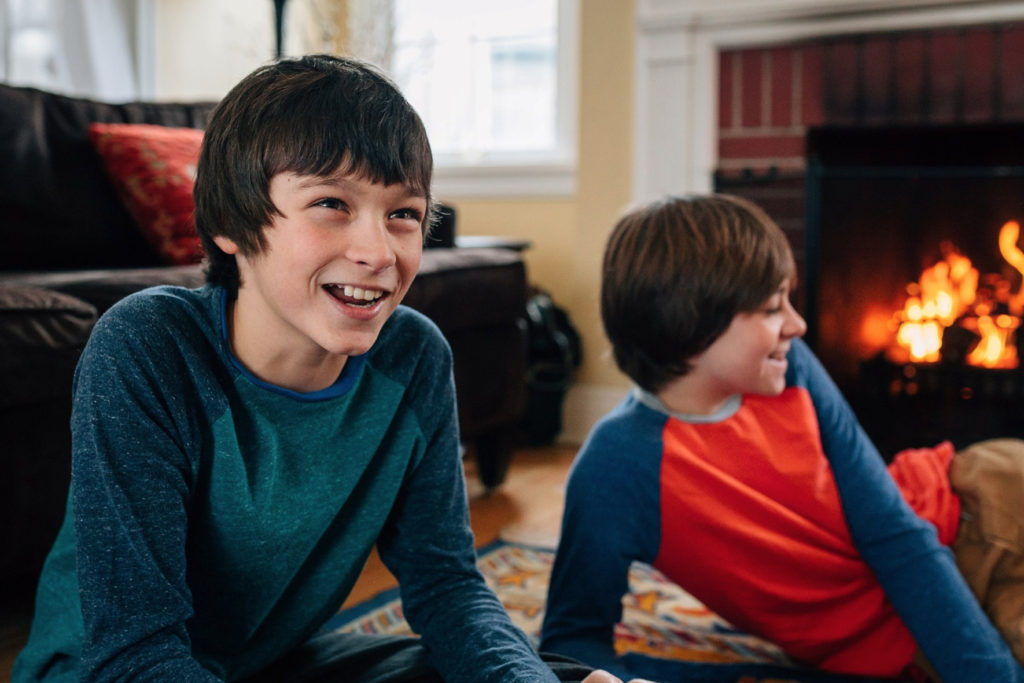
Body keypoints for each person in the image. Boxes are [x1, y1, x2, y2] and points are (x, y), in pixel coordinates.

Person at [12, 54, 636, 683]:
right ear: (231, 223)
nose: (377, 252)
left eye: (404, 214)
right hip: (117, 672)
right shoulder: (149, 346)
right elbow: (135, 650)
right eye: (332, 203)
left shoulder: (415, 356)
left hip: (267, 666)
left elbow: (447, 587)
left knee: (550, 674)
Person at [540, 193, 1024, 682]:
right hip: (911, 631)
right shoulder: (617, 467)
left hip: (982, 516)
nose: (798, 324)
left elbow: (894, 534)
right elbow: (572, 640)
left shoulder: (791, 369)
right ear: (692, 326)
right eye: (773, 308)